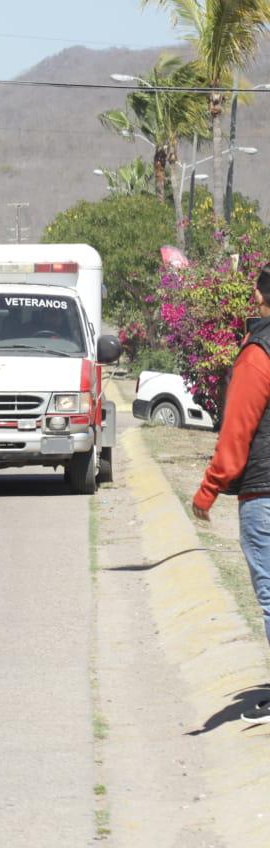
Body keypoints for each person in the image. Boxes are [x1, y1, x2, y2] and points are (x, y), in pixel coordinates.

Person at [191, 266, 270, 725]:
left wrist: (207, 491)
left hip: (263, 493)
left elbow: (237, 431)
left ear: (261, 295)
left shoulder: (258, 352)